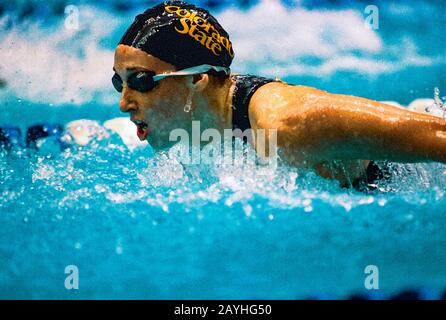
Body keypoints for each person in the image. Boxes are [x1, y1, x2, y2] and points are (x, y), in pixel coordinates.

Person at [112, 0, 446, 189]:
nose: (123, 102)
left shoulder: (287, 124)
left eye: (140, 81)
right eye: (119, 83)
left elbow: (437, 136)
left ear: (197, 79)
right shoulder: (203, 124)